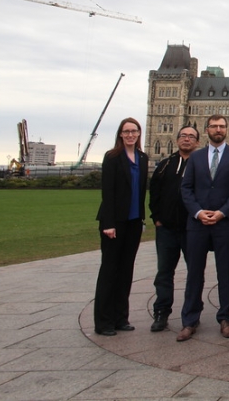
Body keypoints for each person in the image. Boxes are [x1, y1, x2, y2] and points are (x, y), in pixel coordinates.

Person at [177, 114, 229, 342]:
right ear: (206, 129)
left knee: (226, 272)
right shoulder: (195, 157)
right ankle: (189, 320)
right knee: (194, 273)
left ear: (227, 129)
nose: (218, 129)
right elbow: (186, 188)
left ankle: (225, 318)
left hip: (224, 223)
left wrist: (221, 212)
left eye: (222, 126)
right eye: (214, 126)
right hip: (198, 223)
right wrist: (198, 212)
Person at [93, 118, 148, 336]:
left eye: (133, 131)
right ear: (120, 134)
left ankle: (120, 318)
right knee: (109, 272)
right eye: (126, 132)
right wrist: (108, 223)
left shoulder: (142, 158)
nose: (130, 135)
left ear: (138, 134)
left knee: (126, 271)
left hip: (134, 221)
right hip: (114, 223)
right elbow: (108, 192)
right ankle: (103, 322)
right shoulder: (112, 157)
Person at [148, 126, 198, 332]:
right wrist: (157, 218)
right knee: (164, 273)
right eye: (183, 136)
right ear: (177, 140)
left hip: (192, 229)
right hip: (167, 228)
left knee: (194, 273)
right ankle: (161, 312)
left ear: (197, 141)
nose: (187, 140)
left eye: (191, 137)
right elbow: (154, 194)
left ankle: (191, 313)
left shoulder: (201, 165)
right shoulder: (164, 165)